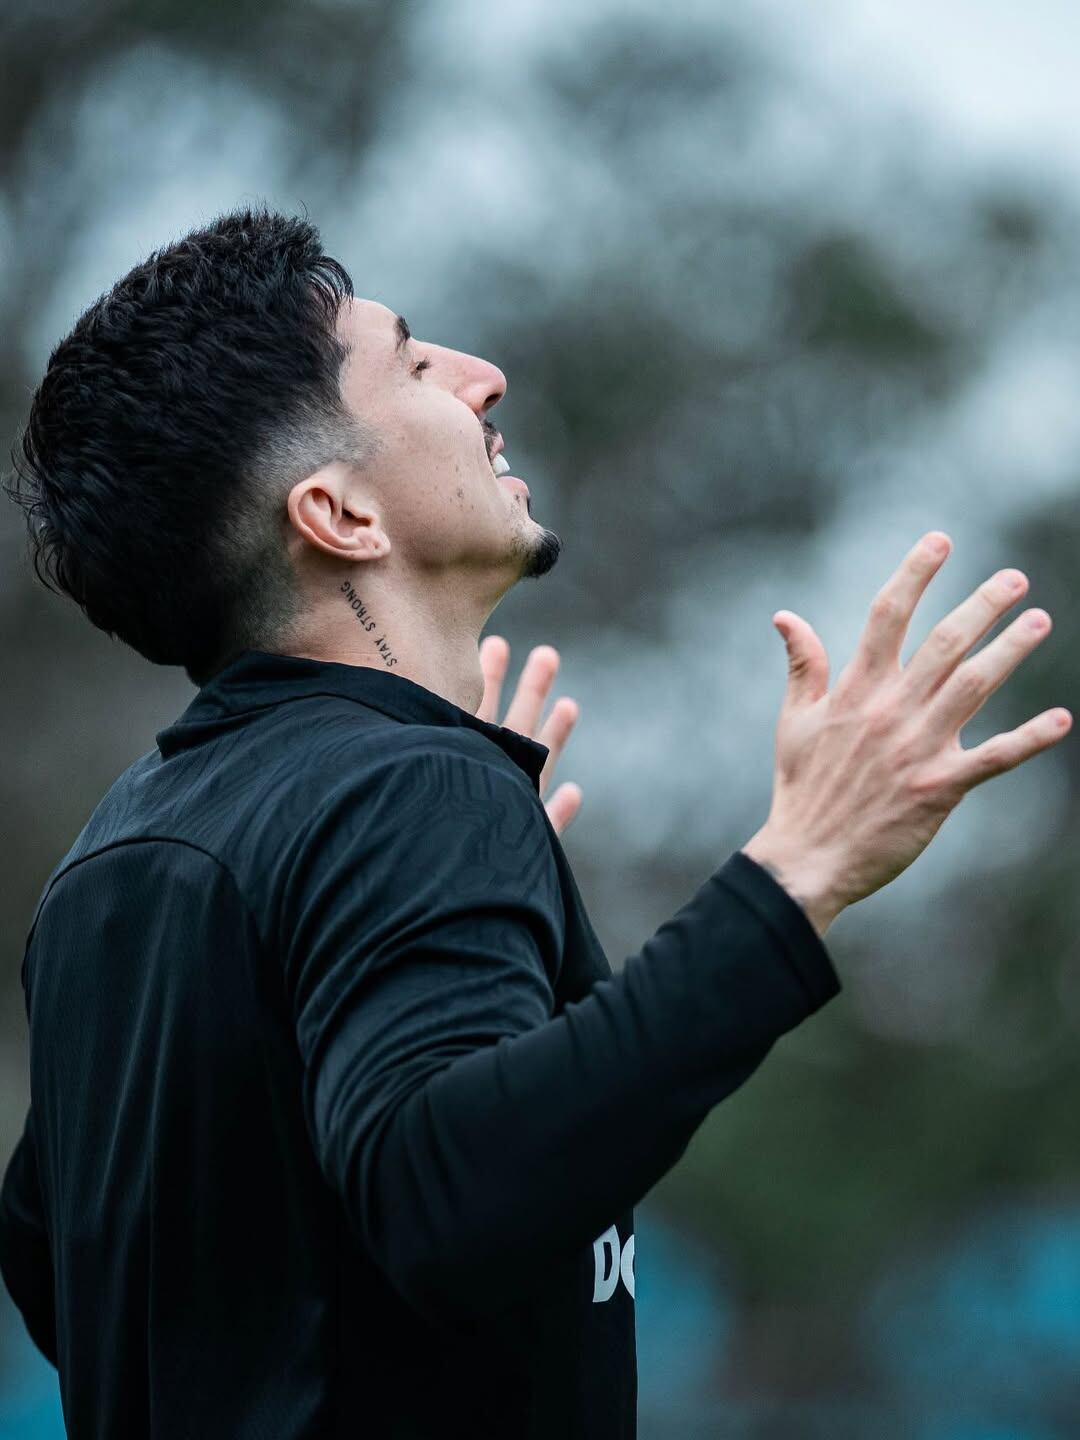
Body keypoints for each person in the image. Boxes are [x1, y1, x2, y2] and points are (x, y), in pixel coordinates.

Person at [0, 208, 1070, 1440]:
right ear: (339, 516)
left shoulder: (111, 857)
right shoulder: (408, 792)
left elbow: (62, 1268)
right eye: (411, 363)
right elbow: (447, 1198)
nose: (482, 375)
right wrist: (798, 873)